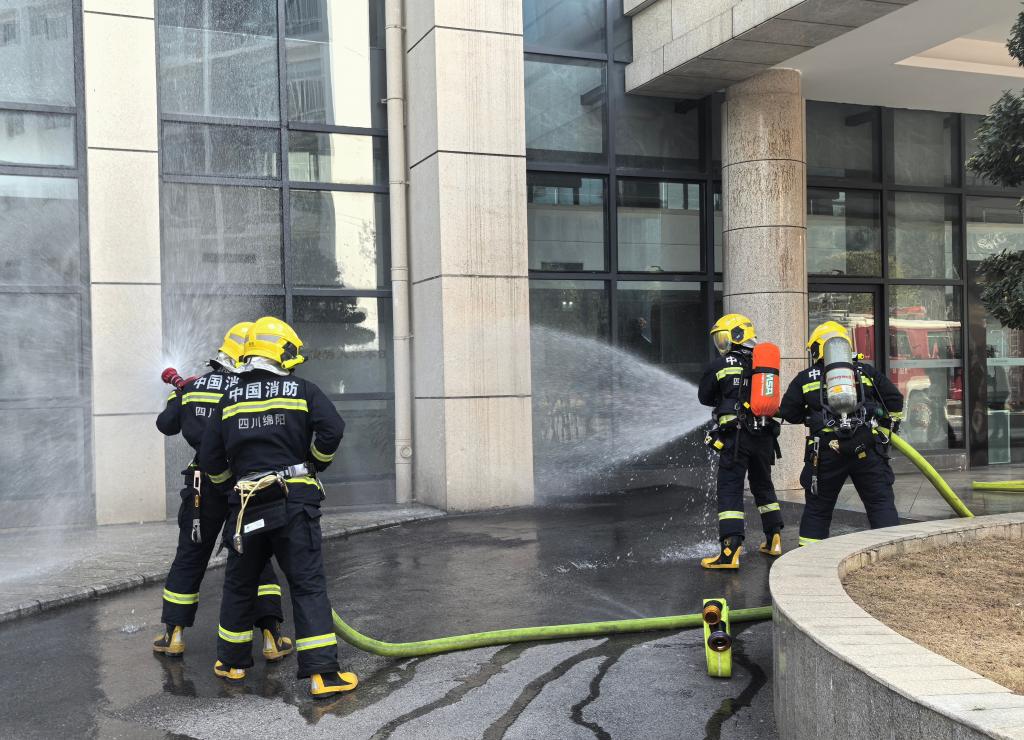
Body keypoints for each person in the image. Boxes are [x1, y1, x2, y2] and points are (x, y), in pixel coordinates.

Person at [199, 316, 357, 698]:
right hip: (293, 503)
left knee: (240, 584)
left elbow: (210, 457)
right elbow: (333, 429)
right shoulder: (302, 390)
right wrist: (316, 462)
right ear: (283, 353)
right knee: (307, 585)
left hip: (246, 506)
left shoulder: (229, 399)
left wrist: (231, 488)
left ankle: (232, 663)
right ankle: (323, 676)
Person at [153, 322, 292, 662]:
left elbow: (166, 425)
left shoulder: (192, 386)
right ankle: (271, 638)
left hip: (202, 487)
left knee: (190, 555)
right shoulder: (250, 389)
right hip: (244, 486)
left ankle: (173, 635)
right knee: (255, 556)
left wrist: (177, 395)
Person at [779, 321, 904, 545]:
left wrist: (812, 417)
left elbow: (788, 411)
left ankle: (810, 557)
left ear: (818, 349)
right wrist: (883, 427)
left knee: (818, 509)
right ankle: (891, 552)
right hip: (865, 447)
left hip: (826, 451)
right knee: (879, 503)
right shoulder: (864, 372)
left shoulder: (805, 377)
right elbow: (894, 401)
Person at [697, 314, 784, 569]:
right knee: (763, 486)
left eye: (723, 337)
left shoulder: (721, 364)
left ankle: (729, 550)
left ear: (736, 336)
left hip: (736, 438)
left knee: (730, 489)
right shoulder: (762, 363)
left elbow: (704, 397)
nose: (720, 343)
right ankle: (774, 539)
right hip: (764, 437)